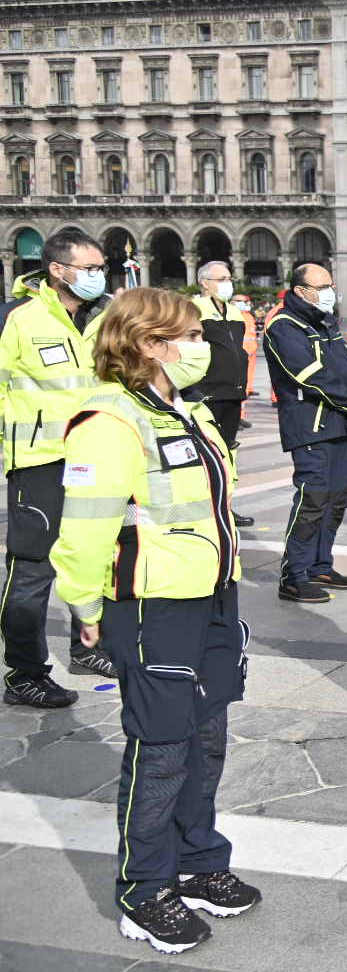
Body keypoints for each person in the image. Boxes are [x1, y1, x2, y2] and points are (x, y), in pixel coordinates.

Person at [53, 287, 260, 954]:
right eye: (191, 334)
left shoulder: (186, 412)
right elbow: (84, 532)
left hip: (211, 597)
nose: (204, 345)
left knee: (208, 736)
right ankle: (146, 889)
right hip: (151, 607)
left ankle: (200, 861)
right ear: (148, 344)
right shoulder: (109, 421)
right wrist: (84, 608)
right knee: (164, 747)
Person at [0, 232, 119, 701]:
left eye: (100, 267)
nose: (97, 275)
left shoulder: (104, 316)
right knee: (32, 571)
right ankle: (24, 674)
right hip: (40, 461)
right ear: (57, 269)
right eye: (88, 268)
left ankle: (88, 646)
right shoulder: (18, 319)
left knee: (92, 556)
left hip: (96, 460)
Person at [263, 263, 347, 604]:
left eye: (330, 284)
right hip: (311, 426)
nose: (330, 290)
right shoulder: (283, 325)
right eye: (322, 285)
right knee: (312, 501)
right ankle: (293, 575)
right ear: (300, 291)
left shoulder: (326, 322)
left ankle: (319, 566)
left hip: (340, 425)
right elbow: (309, 374)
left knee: (336, 500)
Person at [188, 261, 254, 529]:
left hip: (233, 393)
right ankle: (205, 506)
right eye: (221, 279)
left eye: (229, 278)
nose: (228, 283)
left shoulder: (236, 313)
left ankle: (225, 506)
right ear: (204, 283)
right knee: (206, 453)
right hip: (207, 395)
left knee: (227, 452)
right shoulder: (192, 310)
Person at [234, 294, 257, 429]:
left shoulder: (248, 316)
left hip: (250, 357)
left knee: (244, 388)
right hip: (238, 357)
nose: (245, 304)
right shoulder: (232, 315)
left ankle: (241, 416)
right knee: (237, 388)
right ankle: (235, 418)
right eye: (242, 302)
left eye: (246, 301)